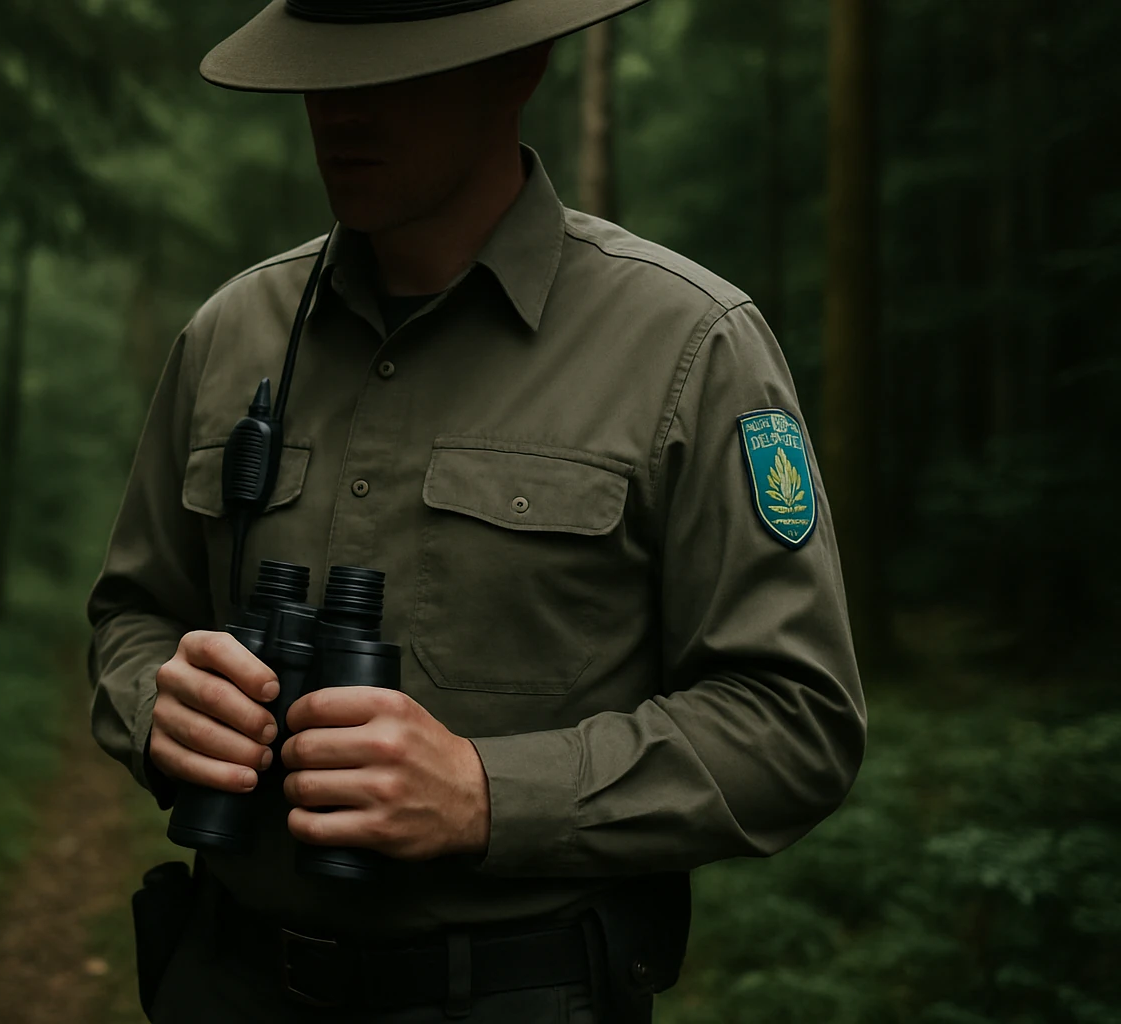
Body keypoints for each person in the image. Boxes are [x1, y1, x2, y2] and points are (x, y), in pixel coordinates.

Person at [87, 0, 868, 1020]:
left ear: (520, 65)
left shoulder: (689, 345)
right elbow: (133, 613)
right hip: (228, 981)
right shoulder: (229, 333)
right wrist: (161, 703)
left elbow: (795, 722)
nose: (341, 113)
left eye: (390, 72)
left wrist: (487, 794)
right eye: (323, 71)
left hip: (517, 993)